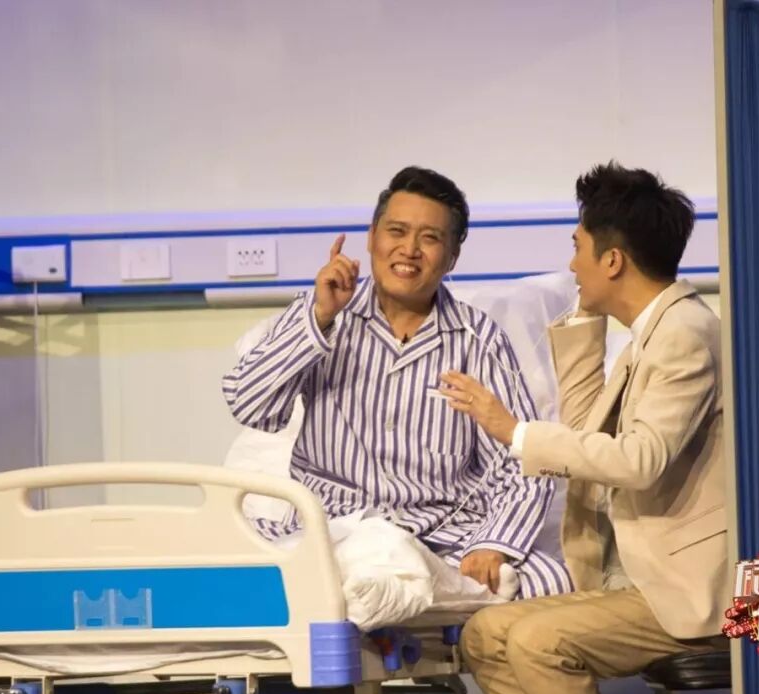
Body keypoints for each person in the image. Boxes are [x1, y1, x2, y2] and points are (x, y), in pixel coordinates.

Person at [441, 162, 728, 694]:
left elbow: (639, 461)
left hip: (685, 592)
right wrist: (582, 321)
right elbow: (585, 437)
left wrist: (513, 430)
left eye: (578, 248)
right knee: (484, 635)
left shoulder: (684, 336)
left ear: (612, 260)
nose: (572, 265)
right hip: (632, 581)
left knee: (537, 641)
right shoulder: (649, 336)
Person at [222, 166, 572, 598]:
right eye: (397, 231)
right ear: (372, 238)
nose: (409, 249)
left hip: (442, 539)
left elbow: (520, 461)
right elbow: (249, 405)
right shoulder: (325, 315)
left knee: (550, 581)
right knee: (239, 572)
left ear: (452, 257)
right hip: (334, 530)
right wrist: (319, 318)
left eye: (430, 238)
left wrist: (493, 544)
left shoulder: (478, 341)